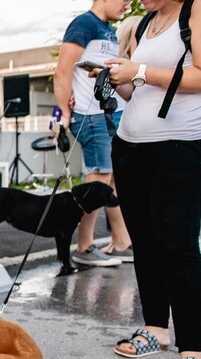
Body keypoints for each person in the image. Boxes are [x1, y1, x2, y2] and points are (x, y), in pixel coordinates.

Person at [103, 0, 201, 359]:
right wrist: (120, 80)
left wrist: (139, 70)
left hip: (178, 145)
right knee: (144, 243)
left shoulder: (194, 9)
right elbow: (137, 94)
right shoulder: (145, 22)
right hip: (131, 145)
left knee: (178, 245)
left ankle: (194, 348)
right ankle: (156, 329)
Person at [54, 0, 135, 267]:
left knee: (110, 183)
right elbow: (62, 71)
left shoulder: (109, 29)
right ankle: (85, 246)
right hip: (91, 117)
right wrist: (64, 116)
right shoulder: (83, 24)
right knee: (98, 181)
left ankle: (121, 242)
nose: (128, 4)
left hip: (110, 114)